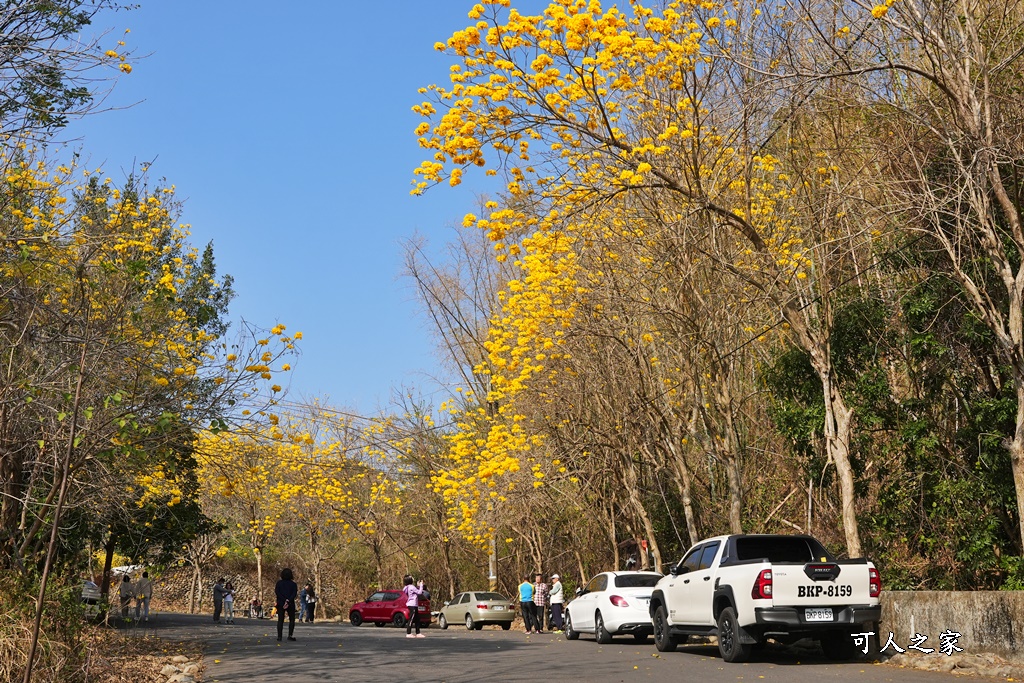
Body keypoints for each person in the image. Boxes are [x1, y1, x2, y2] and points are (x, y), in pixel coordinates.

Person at [275, 567, 298, 642]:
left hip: (281, 602)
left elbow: (277, 592)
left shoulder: (279, 583)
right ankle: (290, 635)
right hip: (290, 603)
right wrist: (288, 600)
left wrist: (284, 600)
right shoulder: (293, 584)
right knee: (292, 619)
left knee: (280, 620)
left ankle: (279, 636)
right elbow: (294, 593)